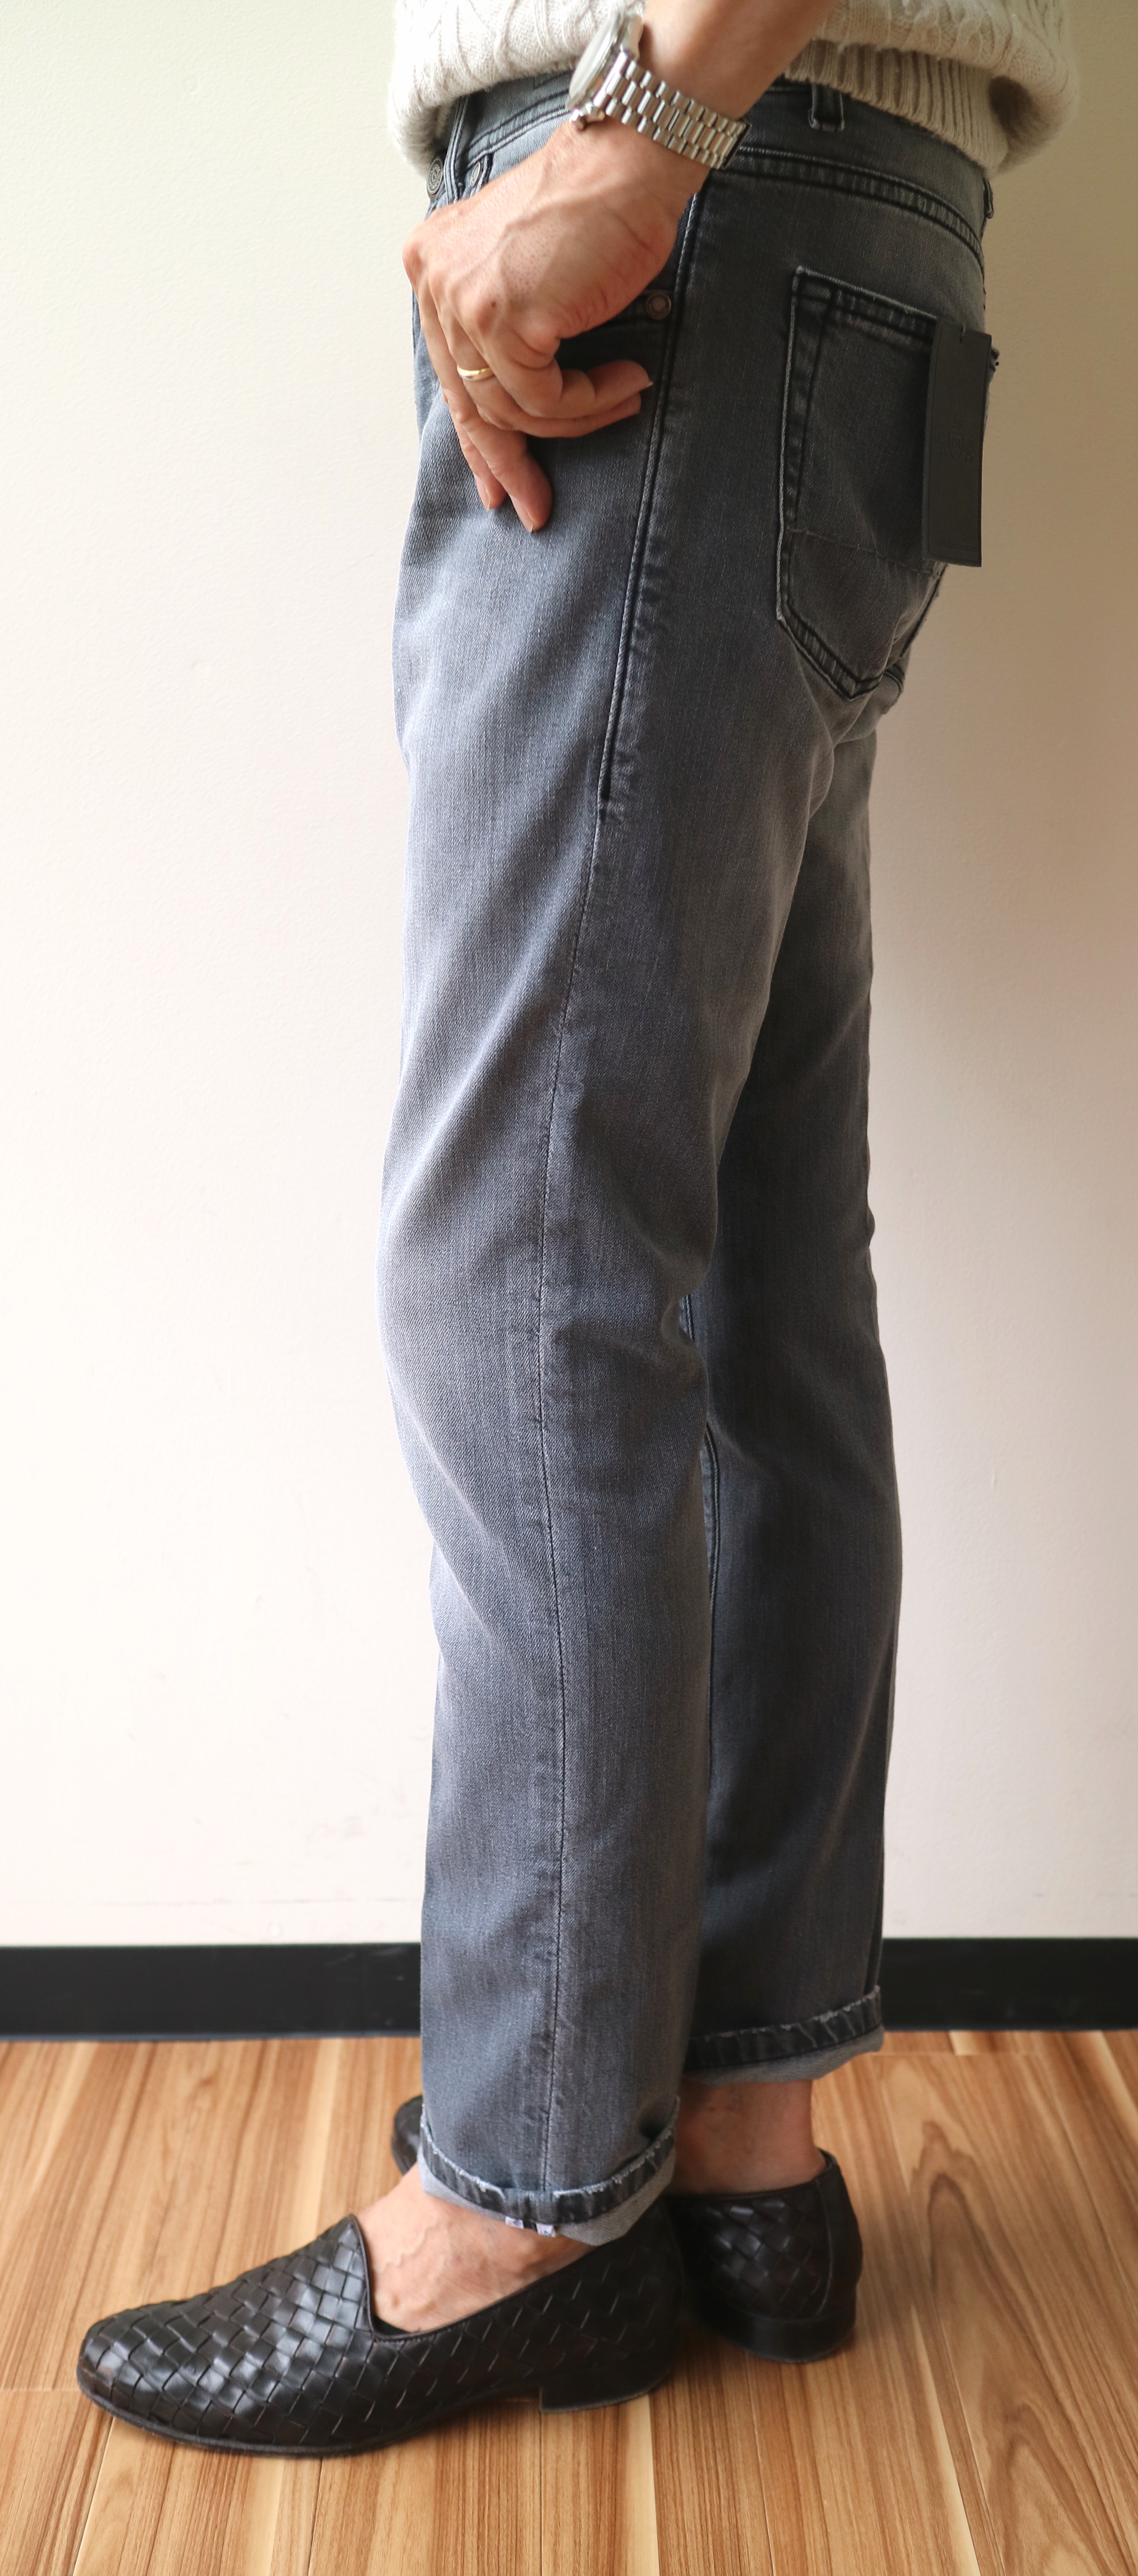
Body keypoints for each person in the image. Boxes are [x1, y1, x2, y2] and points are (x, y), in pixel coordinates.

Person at [77, 0, 1074, 2454]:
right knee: (752, 1270)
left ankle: (527, 2202)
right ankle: (745, 2129)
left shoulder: (663, 148)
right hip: (859, 224)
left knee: (529, 1268)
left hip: (691, 208)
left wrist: (641, 122)